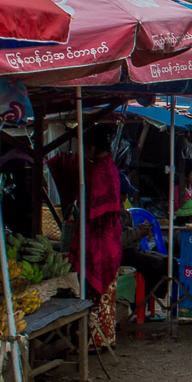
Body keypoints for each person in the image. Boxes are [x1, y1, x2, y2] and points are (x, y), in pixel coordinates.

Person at [59, 127, 123, 349]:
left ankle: (95, 338)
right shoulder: (110, 167)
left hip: (99, 240)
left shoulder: (97, 172)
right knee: (107, 293)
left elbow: (96, 213)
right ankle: (104, 336)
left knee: (97, 292)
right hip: (110, 239)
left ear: (93, 147)